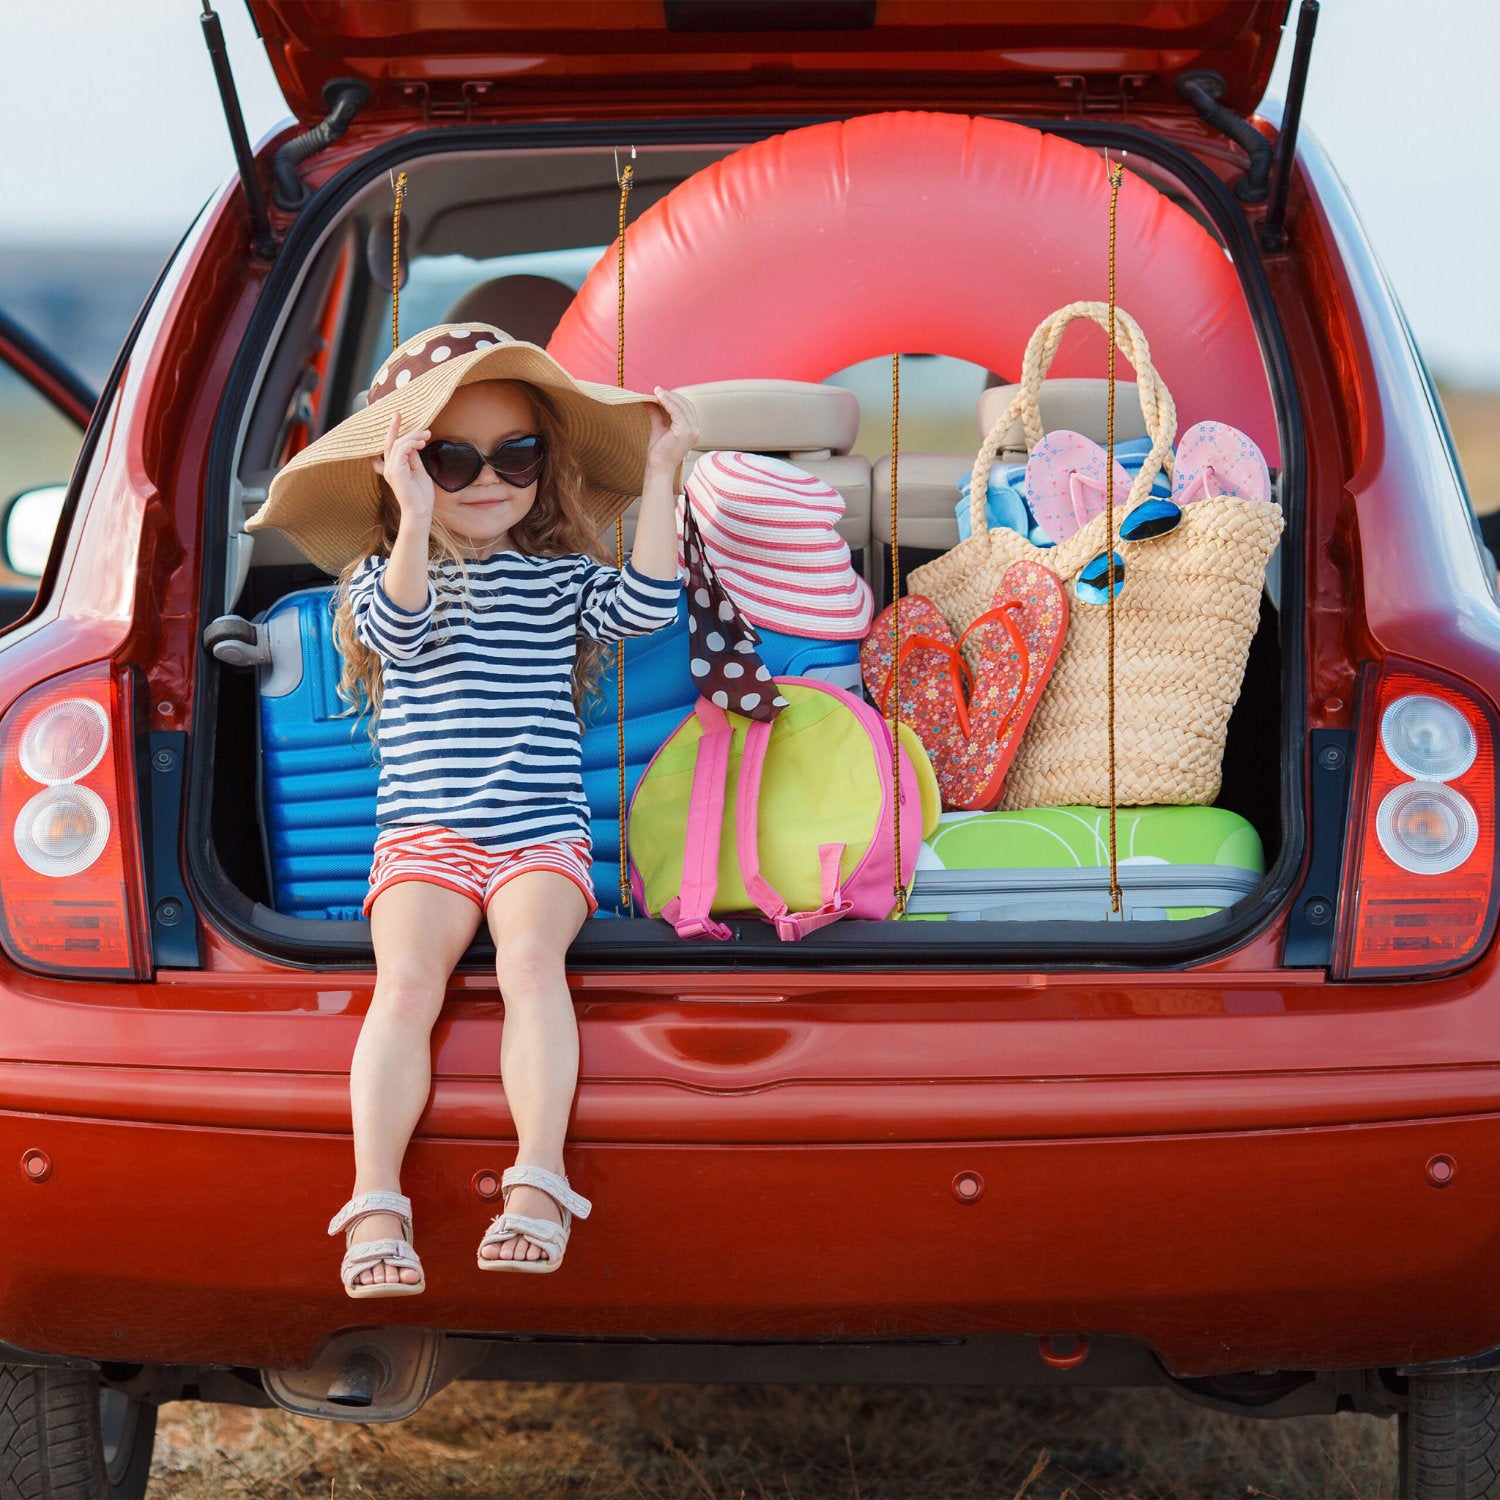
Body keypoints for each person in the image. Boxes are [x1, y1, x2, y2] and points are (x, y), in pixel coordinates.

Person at [246, 323, 697, 1296]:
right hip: (427, 836)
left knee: (535, 965)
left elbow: (650, 607)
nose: (488, 480)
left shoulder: (561, 583)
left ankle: (538, 1182)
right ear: (410, 471)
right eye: (452, 459)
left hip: (540, 832)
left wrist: (662, 474)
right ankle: (375, 1201)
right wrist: (413, 516)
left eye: (517, 454)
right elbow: (400, 631)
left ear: (547, 464)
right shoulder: (381, 577)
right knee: (406, 985)